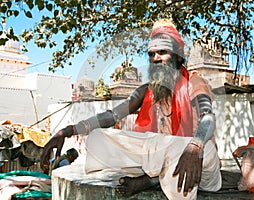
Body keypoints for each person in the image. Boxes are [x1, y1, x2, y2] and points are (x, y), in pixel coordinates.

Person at [40, 19, 222, 199]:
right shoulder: (146, 91)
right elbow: (112, 116)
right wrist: (68, 131)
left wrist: (195, 145)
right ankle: (154, 177)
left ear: (178, 56)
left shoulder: (194, 82)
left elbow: (208, 117)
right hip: (160, 158)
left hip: (199, 162)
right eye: (151, 54)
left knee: (187, 149)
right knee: (97, 139)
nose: (156, 58)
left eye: (162, 52)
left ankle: (150, 179)